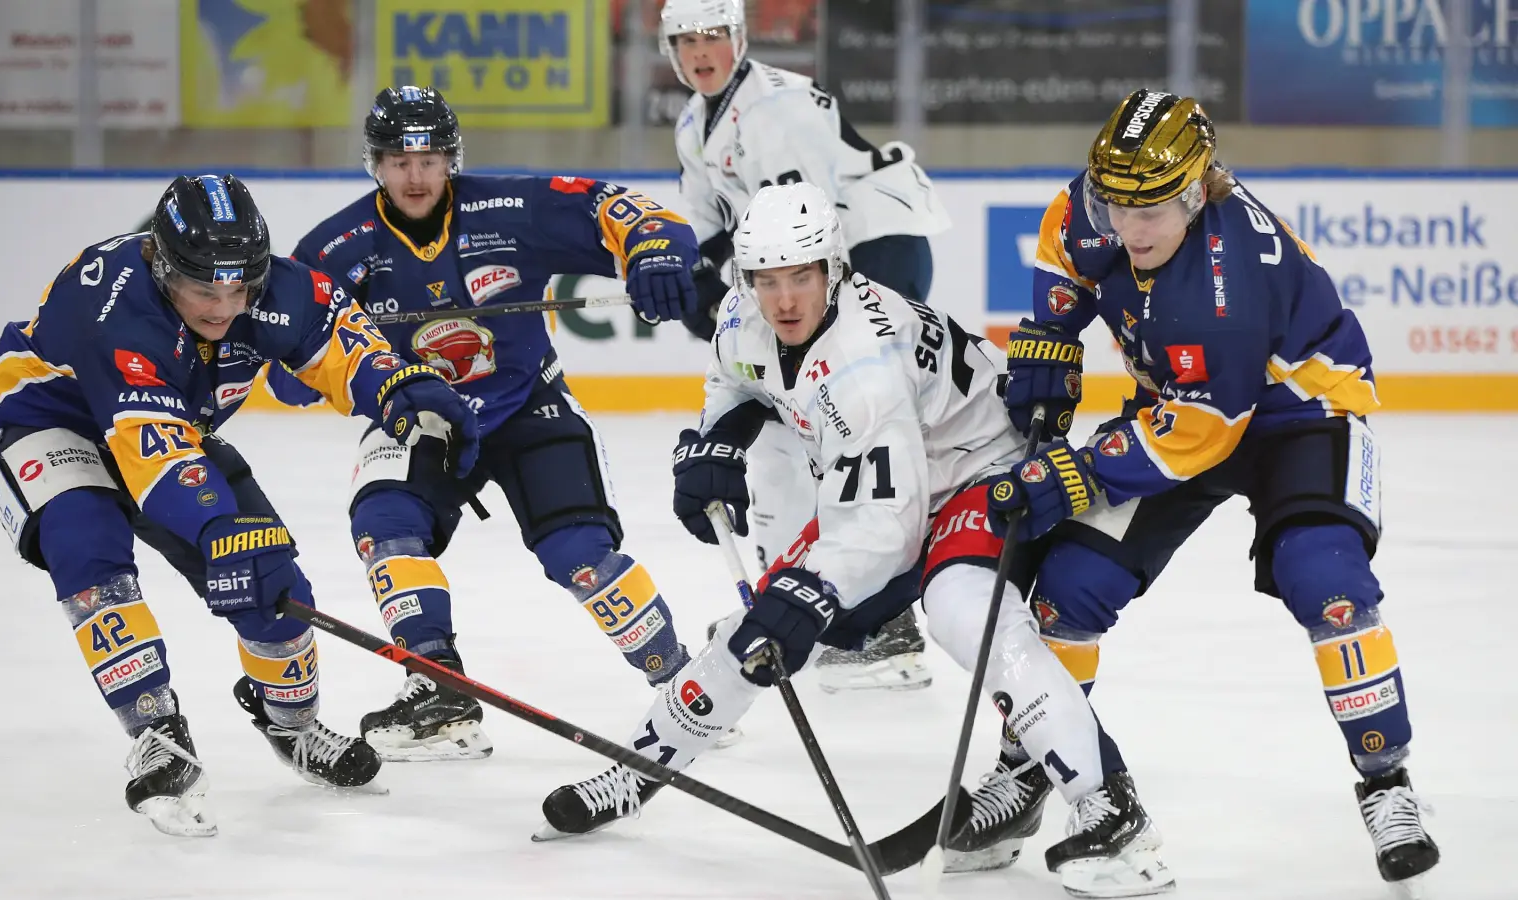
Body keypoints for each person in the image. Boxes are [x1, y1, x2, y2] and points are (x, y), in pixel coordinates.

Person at [534, 184, 1175, 898]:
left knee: (965, 611)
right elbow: (737, 379)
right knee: (754, 635)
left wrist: (809, 593)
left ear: (832, 270)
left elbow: (888, 524)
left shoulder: (861, 364)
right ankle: (638, 769)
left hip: (979, 467)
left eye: (800, 277)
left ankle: (1110, 807)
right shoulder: (744, 315)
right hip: (889, 473)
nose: (783, 300)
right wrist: (717, 441)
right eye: (767, 280)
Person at [977, 90, 1439, 891]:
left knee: (1326, 582)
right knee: (1066, 594)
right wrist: (1052, 331)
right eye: (1117, 204)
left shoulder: (1222, 285)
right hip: (1183, 405)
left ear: (1198, 190)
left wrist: (1075, 472)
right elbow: (1066, 245)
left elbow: (1205, 431)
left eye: (1153, 209)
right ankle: (1033, 766)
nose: (1130, 228)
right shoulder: (1092, 208)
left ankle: (1387, 783)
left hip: (1302, 414)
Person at [0, 174, 482, 836]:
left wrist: (398, 387)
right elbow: (152, 455)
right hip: (47, 422)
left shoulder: (272, 289)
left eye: (239, 287)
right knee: (89, 551)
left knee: (274, 584)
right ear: (160, 264)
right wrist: (217, 526)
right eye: (203, 289)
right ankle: (156, 731)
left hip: (169, 431)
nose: (223, 306)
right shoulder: (115, 310)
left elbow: (341, 340)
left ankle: (291, 725)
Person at [286, 86, 705, 761]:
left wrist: (654, 250)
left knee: (580, 557)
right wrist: (294, 365)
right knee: (386, 526)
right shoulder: (336, 246)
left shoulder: (510, 208)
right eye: (398, 160)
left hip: (527, 405)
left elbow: (617, 207)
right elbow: (286, 337)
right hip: (418, 415)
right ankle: (438, 686)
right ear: (374, 164)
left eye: (430, 159)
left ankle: (685, 682)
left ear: (454, 159)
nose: (415, 176)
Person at [658, 0, 952, 693]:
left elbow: (803, 225)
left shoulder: (778, 108)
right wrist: (686, 282)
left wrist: (727, 290)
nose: (701, 51)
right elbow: (706, 232)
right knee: (788, 432)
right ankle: (816, 602)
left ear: (739, 38)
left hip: (875, 246)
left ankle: (867, 620)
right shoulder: (693, 123)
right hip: (815, 262)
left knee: (829, 426)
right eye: (687, 40)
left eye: (713, 36)